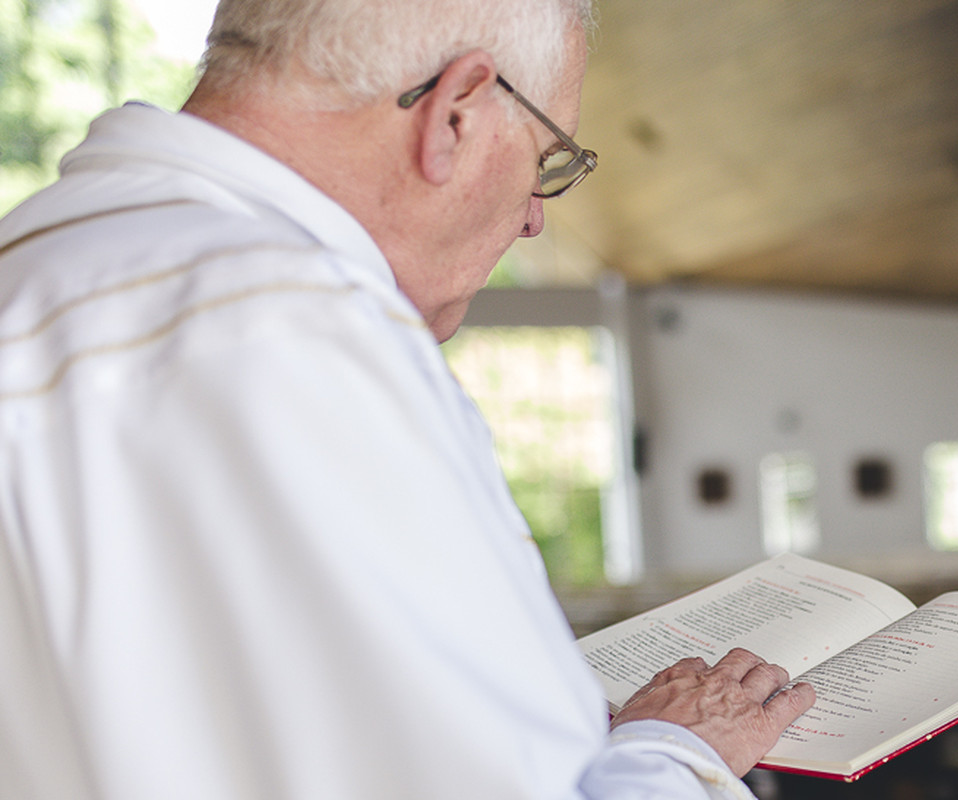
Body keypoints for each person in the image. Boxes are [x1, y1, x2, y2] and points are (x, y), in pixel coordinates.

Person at [0, 0, 815, 797]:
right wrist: (681, 751)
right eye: (545, 163)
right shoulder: (294, 329)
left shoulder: (37, 270)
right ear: (456, 112)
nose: (534, 219)